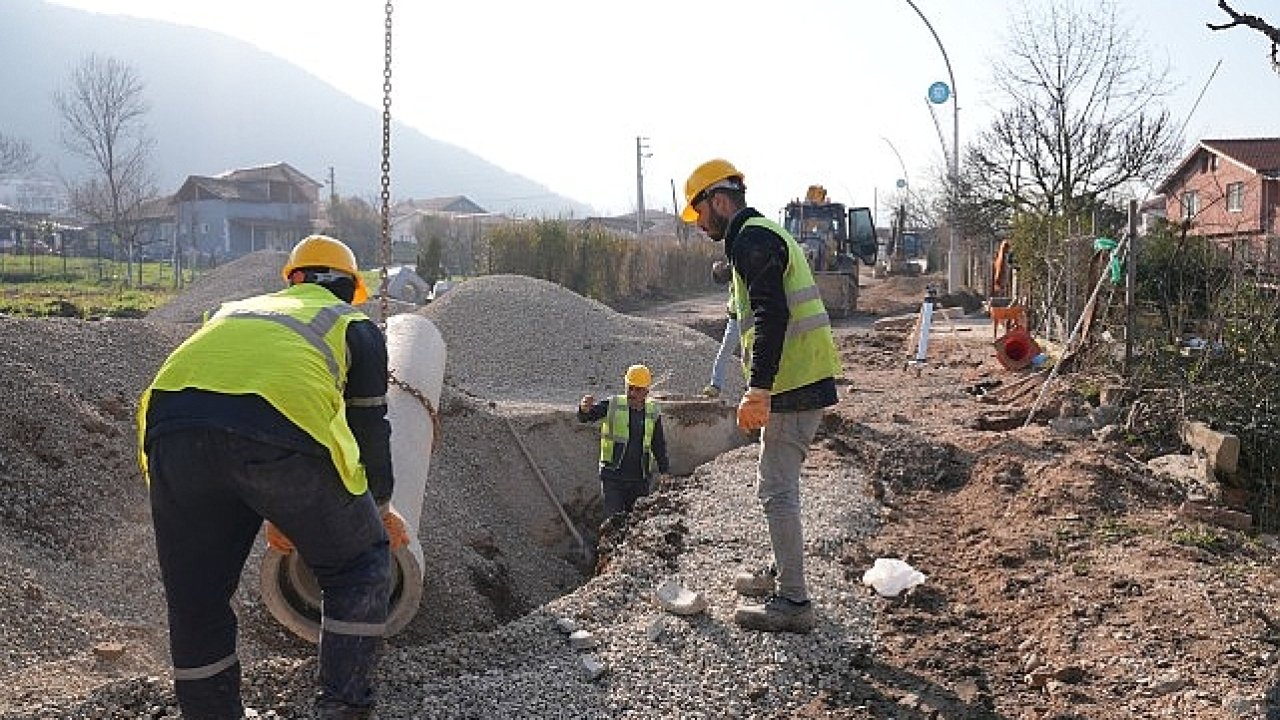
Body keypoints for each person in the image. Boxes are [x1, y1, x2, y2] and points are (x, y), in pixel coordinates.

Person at [137, 234, 408, 720]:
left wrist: (274, 505)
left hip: (171, 433)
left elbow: (224, 414)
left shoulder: (231, 311)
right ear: (350, 289)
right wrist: (380, 514)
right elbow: (367, 427)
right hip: (281, 432)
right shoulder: (352, 325)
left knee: (197, 597)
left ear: (293, 280)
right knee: (359, 566)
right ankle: (343, 708)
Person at [680, 159, 842, 634]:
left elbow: (772, 316)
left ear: (719, 201)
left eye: (700, 213)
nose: (700, 225)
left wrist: (759, 388)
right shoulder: (754, 238)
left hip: (793, 381)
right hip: (795, 377)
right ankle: (784, 572)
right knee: (774, 483)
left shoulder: (752, 239)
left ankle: (794, 601)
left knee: (775, 488)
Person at [577, 363, 670, 519]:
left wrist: (664, 471)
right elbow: (587, 417)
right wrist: (583, 409)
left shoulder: (653, 412)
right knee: (614, 520)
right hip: (613, 477)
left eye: (638, 389)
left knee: (638, 521)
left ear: (646, 391)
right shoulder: (613, 404)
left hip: (640, 478)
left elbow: (658, 444)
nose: (632, 393)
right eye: (630, 388)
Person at [702, 259, 741, 399]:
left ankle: (753, 386)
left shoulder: (750, 263)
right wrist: (717, 271)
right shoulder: (736, 263)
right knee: (725, 351)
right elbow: (721, 278)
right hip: (736, 317)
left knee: (752, 354)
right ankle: (715, 385)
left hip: (750, 317)